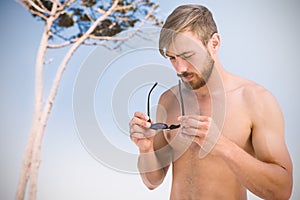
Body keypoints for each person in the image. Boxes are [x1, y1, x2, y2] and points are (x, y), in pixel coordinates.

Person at [129, 4, 293, 200]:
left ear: (214, 43)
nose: (180, 68)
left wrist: (223, 146)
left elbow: (282, 191)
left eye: (187, 55)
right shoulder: (169, 100)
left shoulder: (255, 100)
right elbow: (152, 181)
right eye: (172, 57)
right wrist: (145, 148)